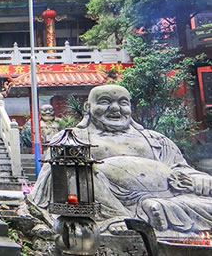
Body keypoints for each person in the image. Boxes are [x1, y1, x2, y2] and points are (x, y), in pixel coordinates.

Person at [29, 84, 212, 234]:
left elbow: (180, 168)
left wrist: (198, 179)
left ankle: (157, 207)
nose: (115, 108)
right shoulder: (73, 138)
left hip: (168, 196)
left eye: (123, 103)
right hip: (107, 201)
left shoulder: (155, 139)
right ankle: (115, 217)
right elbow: (50, 178)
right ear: (88, 108)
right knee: (79, 171)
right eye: (105, 102)